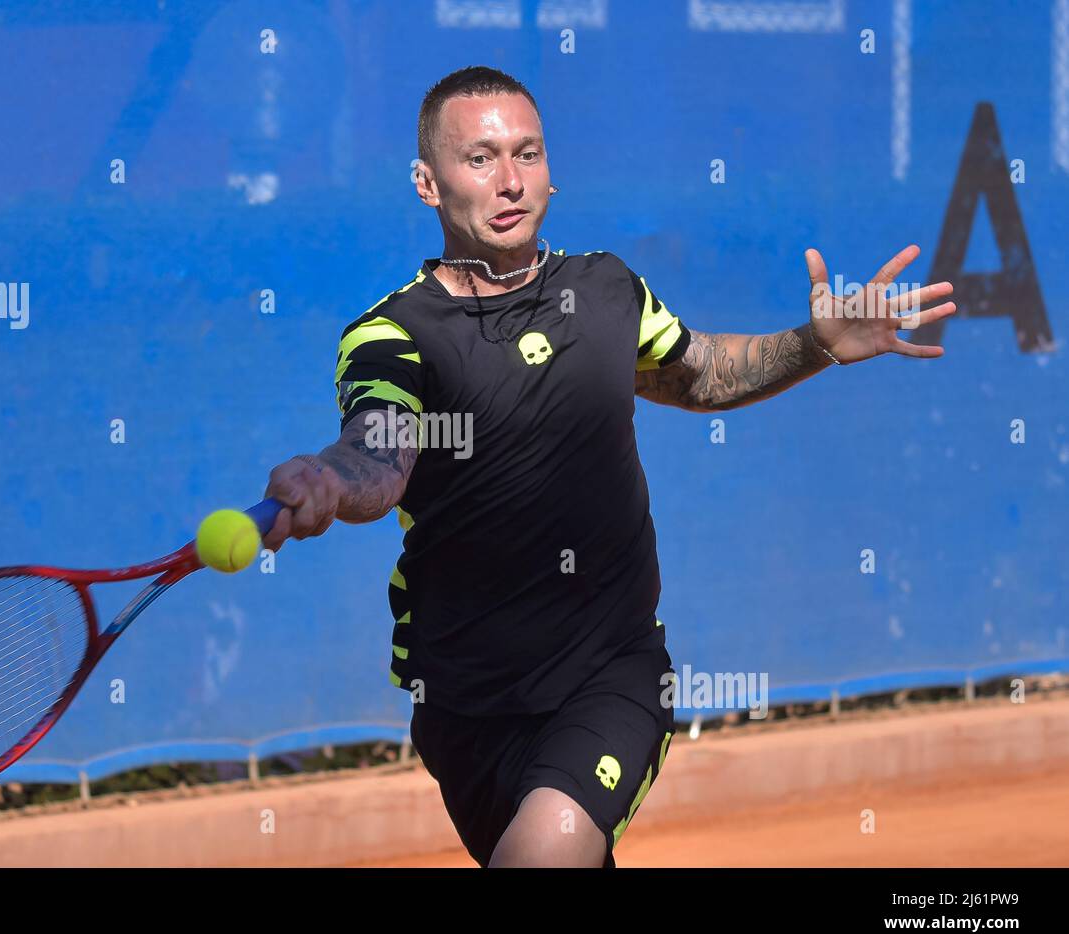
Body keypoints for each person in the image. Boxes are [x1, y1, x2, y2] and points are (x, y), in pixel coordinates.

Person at [261, 66, 955, 867]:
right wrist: (330, 478)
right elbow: (379, 450)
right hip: (464, 702)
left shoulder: (605, 290)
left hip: (612, 671)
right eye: (480, 159)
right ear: (427, 182)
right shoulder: (393, 334)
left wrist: (817, 344)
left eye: (528, 153)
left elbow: (699, 372)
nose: (512, 180)